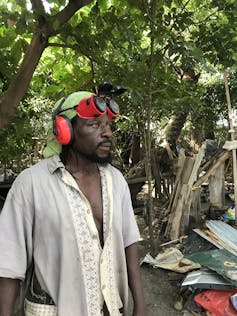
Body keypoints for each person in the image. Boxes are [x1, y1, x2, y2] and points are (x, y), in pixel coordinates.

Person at [0, 89, 146, 316]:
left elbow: (129, 242)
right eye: (95, 125)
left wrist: (140, 304)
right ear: (65, 130)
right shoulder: (31, 183)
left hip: (108, 309)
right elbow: (9, 261)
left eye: (107, 125)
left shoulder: (115, 180)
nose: (107, 132)